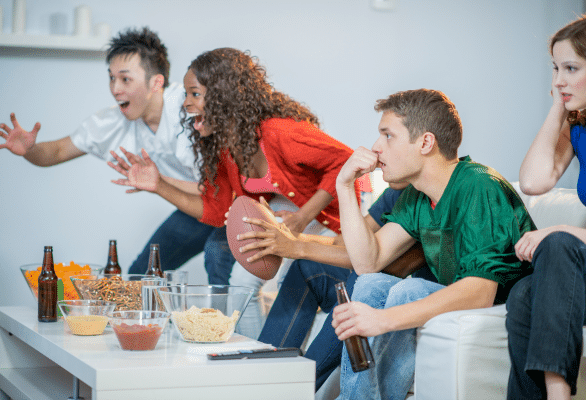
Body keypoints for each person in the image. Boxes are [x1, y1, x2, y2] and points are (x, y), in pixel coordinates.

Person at [109, 47, 361, 337]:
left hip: (324, 214)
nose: (186, 104)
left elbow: (345, 161)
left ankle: (273, 352)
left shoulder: (280, 132)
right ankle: (250, 353)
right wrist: (159, 185)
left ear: (222, 97)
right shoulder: (225, 149)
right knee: (242, 282)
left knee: (285, 281)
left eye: (194, 94)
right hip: (283, 215)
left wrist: (303, 218)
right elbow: (216, 212)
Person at [331, 88, 535, 400]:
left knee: (410, 289)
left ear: (425, 142)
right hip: (471, 303)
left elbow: (481, 292)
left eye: (388, 136)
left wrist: (382, 320)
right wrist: (344, 186)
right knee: (370, 284)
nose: (375, 147)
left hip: (506, 310)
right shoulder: (418, 196)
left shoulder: (479, 186)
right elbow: (367, 262)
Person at [0, 27, 234, 278]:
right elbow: (55, 152)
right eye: (111, 78)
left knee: (217, 256)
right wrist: (29, 150)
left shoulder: (192, 107)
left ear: (156, 82)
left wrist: (160, 183)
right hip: (193, 207)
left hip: (235, 202)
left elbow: (224, 188)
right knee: (139, 277)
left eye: (125, 79)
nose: (115, 88)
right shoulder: (112, 122)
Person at [237, 185, 430, 391]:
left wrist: (297, 247)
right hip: (374, 274)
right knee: (306, 268)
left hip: (398, 288)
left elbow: (381, 266)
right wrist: (286, 237)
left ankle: (292, 390)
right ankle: (262, 378)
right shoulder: (399, 191)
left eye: (389, 149)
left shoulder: (432, 195)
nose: (377, 152)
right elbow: (343, 242)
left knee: (362, 279)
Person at [507, 16, 586, 400]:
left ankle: (560, 395)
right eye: (556, 69)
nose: (559, 80)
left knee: (557, 243)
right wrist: (559, 108)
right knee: (524, 294)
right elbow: (533, 182)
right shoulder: (579, 127)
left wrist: (561, 231)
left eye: (571, 68)